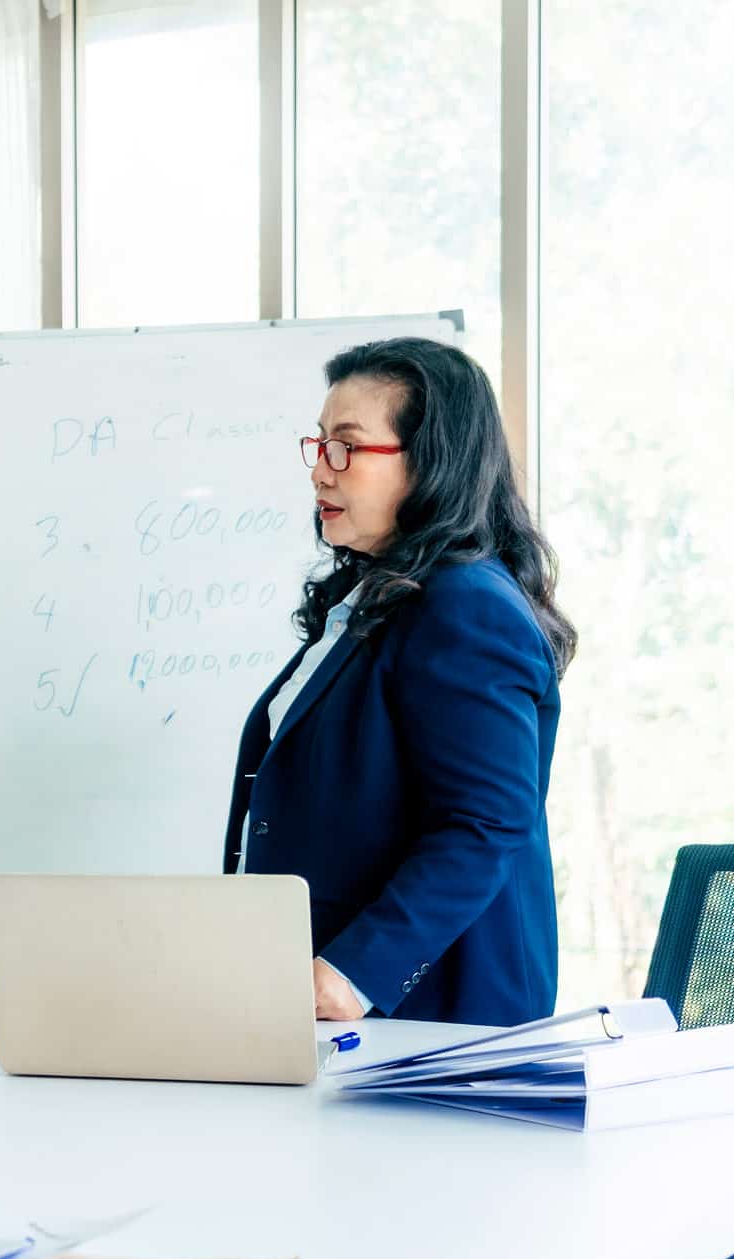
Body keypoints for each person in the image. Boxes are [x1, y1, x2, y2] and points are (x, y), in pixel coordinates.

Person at [224, 338, 576, 1026]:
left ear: (430, 460)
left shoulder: (464, 604)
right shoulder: (372, 596)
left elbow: (483, 824)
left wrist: (356, 972)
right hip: (330, 1007)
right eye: (318, 444)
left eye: (347, 447)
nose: (320, 472)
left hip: (428, 1015)